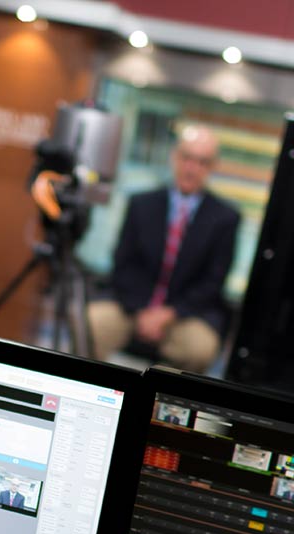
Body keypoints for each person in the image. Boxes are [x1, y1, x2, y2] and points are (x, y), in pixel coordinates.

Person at [86, 122, 240, 374]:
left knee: (201, 348)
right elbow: (123, 264)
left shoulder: (225, 219)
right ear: (174, 157)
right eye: (187, 158)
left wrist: (168, 314)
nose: (192, 168)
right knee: (91, 323)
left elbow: (213, 283)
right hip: (132, 305)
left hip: (184, 315)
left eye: (202, 162)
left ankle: (160, 407)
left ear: (212, 168)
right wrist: (143, 311)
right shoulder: (141, 204)